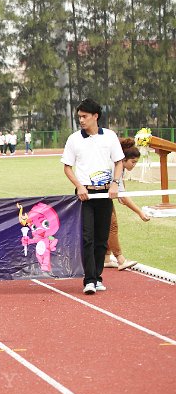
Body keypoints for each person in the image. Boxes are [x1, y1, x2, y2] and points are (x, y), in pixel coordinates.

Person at [61, 98, 124, 295]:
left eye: (84, 116)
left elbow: (119, 162)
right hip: (85, 195)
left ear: (95, 116)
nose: (81, 120)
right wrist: (79, 186)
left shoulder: (110, 137)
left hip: (105, 193)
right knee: (87, 237)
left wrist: (115, 184)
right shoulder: (74, 139)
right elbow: (67, 167)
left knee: (101, 239)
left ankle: (97, 277)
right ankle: (88, 280)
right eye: (79, 117)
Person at [104, 138, 150, 271]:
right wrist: (140, 212)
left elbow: (121, 190)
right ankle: (120, 259)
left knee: (109, 226)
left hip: (106, 197)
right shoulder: (114, 166)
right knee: (112, 226)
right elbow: (123, 198)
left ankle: (106, 259)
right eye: (133, 162)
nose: (134, 165)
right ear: (123, 160)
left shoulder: (120, 168)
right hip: (98, 197)